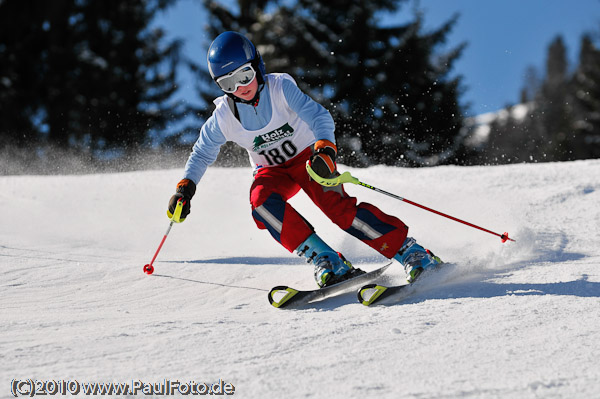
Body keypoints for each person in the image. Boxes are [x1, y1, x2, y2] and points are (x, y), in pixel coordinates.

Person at [168, 31, 441, 288]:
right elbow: (202, 151)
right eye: (228, 83)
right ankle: (328, 260)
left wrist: (324, 148)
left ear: (257, 66)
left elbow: (318, 116)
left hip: (309, 161)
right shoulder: (224, 117)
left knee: (337, 208)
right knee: (261, 203)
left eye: (244, 75)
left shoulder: (279, 88)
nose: (240, 88)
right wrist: (185, 187)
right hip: (272, 172)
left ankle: (411, 252)